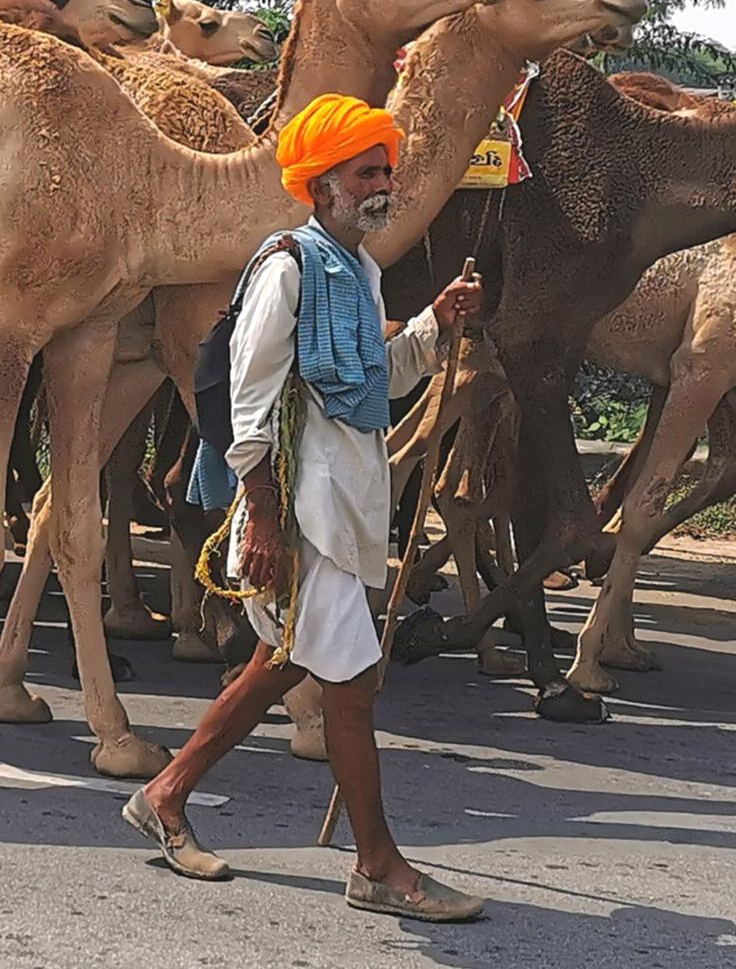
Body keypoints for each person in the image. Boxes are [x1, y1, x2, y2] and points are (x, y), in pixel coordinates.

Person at [122, 93, 486, 923]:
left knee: (278, 666)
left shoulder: (358, 268)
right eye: (366, 172)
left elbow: (376, 382)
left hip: (346, 504)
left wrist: (433, 325)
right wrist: (263, 522)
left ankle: (166, 795)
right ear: (321, 186)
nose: (383, 182)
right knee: (350, 686)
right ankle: (379, 867)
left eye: (385, 169)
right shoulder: (287, 266)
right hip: (298, 512)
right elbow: (249, 405)